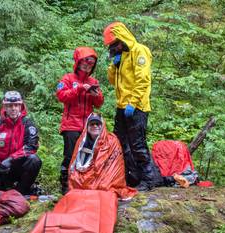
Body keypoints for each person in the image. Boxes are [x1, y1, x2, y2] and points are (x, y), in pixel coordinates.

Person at [103, 22, 160, 191]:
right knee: (121, 143)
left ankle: (148, 180)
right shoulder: (122, 56)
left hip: (137, 107)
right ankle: (131, 177)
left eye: (116, 44)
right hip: (122, 106)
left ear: (123, 38)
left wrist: (133, 103)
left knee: (137, 144)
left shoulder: (139, 51)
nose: (116, 47)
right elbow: (113, 81)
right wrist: (114, 65)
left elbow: (143, 81)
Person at [56, 47, 104, 194]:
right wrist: (80, 89)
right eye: (85, 63)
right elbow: (61, 96)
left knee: (88, 154)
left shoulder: (93, 81)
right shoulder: (68, 78)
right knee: (70, 156)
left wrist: (95, 94)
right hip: (71, 124)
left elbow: (99, 103)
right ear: (78, 62)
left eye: (90, 64)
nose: (87, 66)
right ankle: (66, 185)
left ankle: (83, 183)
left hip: (88, 126)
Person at [0, 91, 41, 196]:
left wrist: (11, 159)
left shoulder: (27, 124)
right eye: (10, 106)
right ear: (5, 107)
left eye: (16, 105)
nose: (13, 108)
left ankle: (20, 192)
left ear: (21, 106)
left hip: (18, 166)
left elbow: (31, 147)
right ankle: (5, 191)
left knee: (34, 160)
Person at [67, 113, 136, 200]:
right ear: (87, 127)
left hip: (105, 176)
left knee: (103, 187)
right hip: (88, 175)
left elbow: (113, 166)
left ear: (102, 126)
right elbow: (74, 163)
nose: (95, 126)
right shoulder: (81, 141)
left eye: (98, 124)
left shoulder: (112, 141)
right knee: (76, 181)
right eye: (92, 124)